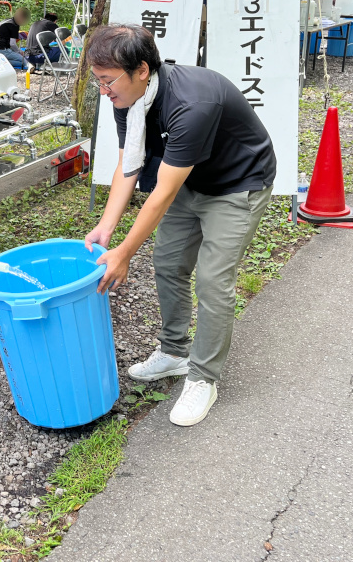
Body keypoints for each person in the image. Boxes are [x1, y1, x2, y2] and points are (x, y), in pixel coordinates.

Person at [84, 25, 276, 427]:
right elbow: (128, 163)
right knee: (169, 263)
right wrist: (107, 227)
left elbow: (161, 195)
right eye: (97, 80)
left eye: (107, 80)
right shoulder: (128, 98)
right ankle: (174, 353)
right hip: (191, 181)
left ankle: (203, 377)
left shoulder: (191, 103)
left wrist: (123, 253)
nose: (103, 91)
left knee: (212, 280)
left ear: (140, 69)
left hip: (237, 184)